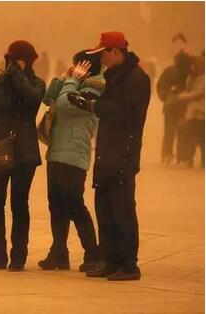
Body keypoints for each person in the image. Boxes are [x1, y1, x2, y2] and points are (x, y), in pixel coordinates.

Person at [68, 32, 150, 281]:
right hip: (106, 152)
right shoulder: (114, 77)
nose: (101, 59)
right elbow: (109, 107)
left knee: (122, 209)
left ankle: (128, 264)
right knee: (104, 208)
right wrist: (89, 101)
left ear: (115, 52)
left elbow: (127, 114)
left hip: (123, 153)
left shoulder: (136, 78)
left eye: (103, 53)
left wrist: (93, 106)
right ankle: (110, 260)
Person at [0, 40, 45, 272]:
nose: (14, 65)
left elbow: (33, 101)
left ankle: (18, 257)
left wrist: (18, 78)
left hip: (25, 152)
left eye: (19, 60)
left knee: (19, 204)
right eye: (12, 60)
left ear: (29, 61)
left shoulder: (36, 83)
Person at [38, 50, 103, 273]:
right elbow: (48, 98)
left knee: (74, 204)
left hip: (74, 156)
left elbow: (66, 106)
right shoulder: (73, 84)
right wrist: (63, 77)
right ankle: (58, 253)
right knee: (55, 205)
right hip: (56, 152)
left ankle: (93, 253)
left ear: (87, 67)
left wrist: (73, 80)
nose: (74, 67)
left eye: (77, 64)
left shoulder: (93, 89)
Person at [157, 51, 191, 165]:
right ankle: (182, 157)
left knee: (169, 132)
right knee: (183, 132)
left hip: (170, 105)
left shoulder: (169, 71)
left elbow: (160, 85)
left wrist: (165, 97)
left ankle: (167, 155)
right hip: (184, 106)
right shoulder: (190, 72)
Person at [177, 56, 205, 167]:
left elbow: (199, 93)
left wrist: (184, 96)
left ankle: (204, 160)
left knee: (202, 138)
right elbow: (189, 90)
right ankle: (190, 159)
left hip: (202, 112)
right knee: (191, 138)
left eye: (193, 66)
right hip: (191, 112)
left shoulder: (204, 79)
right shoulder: (190, 78)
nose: (191, 68)